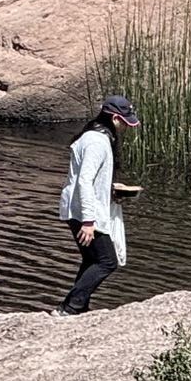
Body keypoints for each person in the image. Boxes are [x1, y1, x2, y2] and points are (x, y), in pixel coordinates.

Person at [57, 95, 140, 315]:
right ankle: (69, 308)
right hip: (83, 213)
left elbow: (89, 179)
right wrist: (88, 222)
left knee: (92, 259)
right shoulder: (97, 142)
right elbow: (84, 181)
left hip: (77, 208)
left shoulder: (94, 136)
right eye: (125, 123)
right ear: (115, 119)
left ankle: (78, 307)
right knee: (106, 261)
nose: (126, 128)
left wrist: (111, 190)